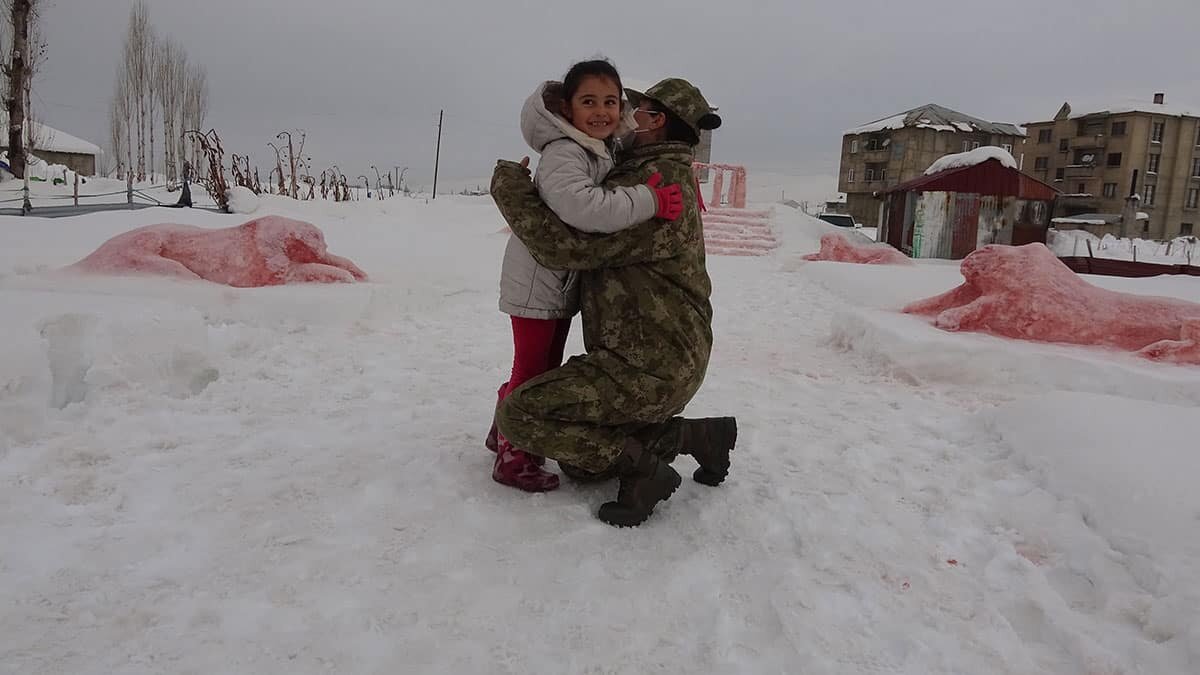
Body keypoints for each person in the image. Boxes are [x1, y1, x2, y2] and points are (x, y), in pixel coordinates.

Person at [490, 78, 737, 527]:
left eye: (636, 109)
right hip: (654, 359)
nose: (624, 114)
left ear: (655, 121)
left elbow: (564, 246)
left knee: (520, 414)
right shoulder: (655, 171)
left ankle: (645, 474)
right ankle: (696, 436)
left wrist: (511, 189)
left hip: (648, 367)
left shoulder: (653, 182)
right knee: (583, 462)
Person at [487, 59, 684, 493]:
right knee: (533, 371)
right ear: (567, 108)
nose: (601, 112)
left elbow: (626, 137)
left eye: (610, 102)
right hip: (537, 283)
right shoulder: (566, 151)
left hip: (555, 283)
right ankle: (513, 456)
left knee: (542, 367)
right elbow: (584, 208)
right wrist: (649, 200)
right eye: (588, 101)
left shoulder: (595, 147)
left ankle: (502, 429)